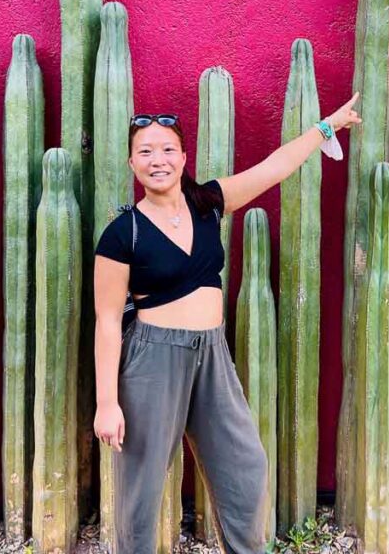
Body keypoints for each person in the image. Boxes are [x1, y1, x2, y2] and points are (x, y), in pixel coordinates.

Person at [93, 93, 361, 554]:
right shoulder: (123, 235)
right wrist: (107, 403)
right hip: (154, 359)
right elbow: (106, 321)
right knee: (141, 486)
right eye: (145, 151)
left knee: (246, 465)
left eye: (167, 149)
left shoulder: (207, 202)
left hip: (211, 354)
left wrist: (326, 127)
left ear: (183, 155)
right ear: (131, 162)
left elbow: (273, 167)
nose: (157, 160)